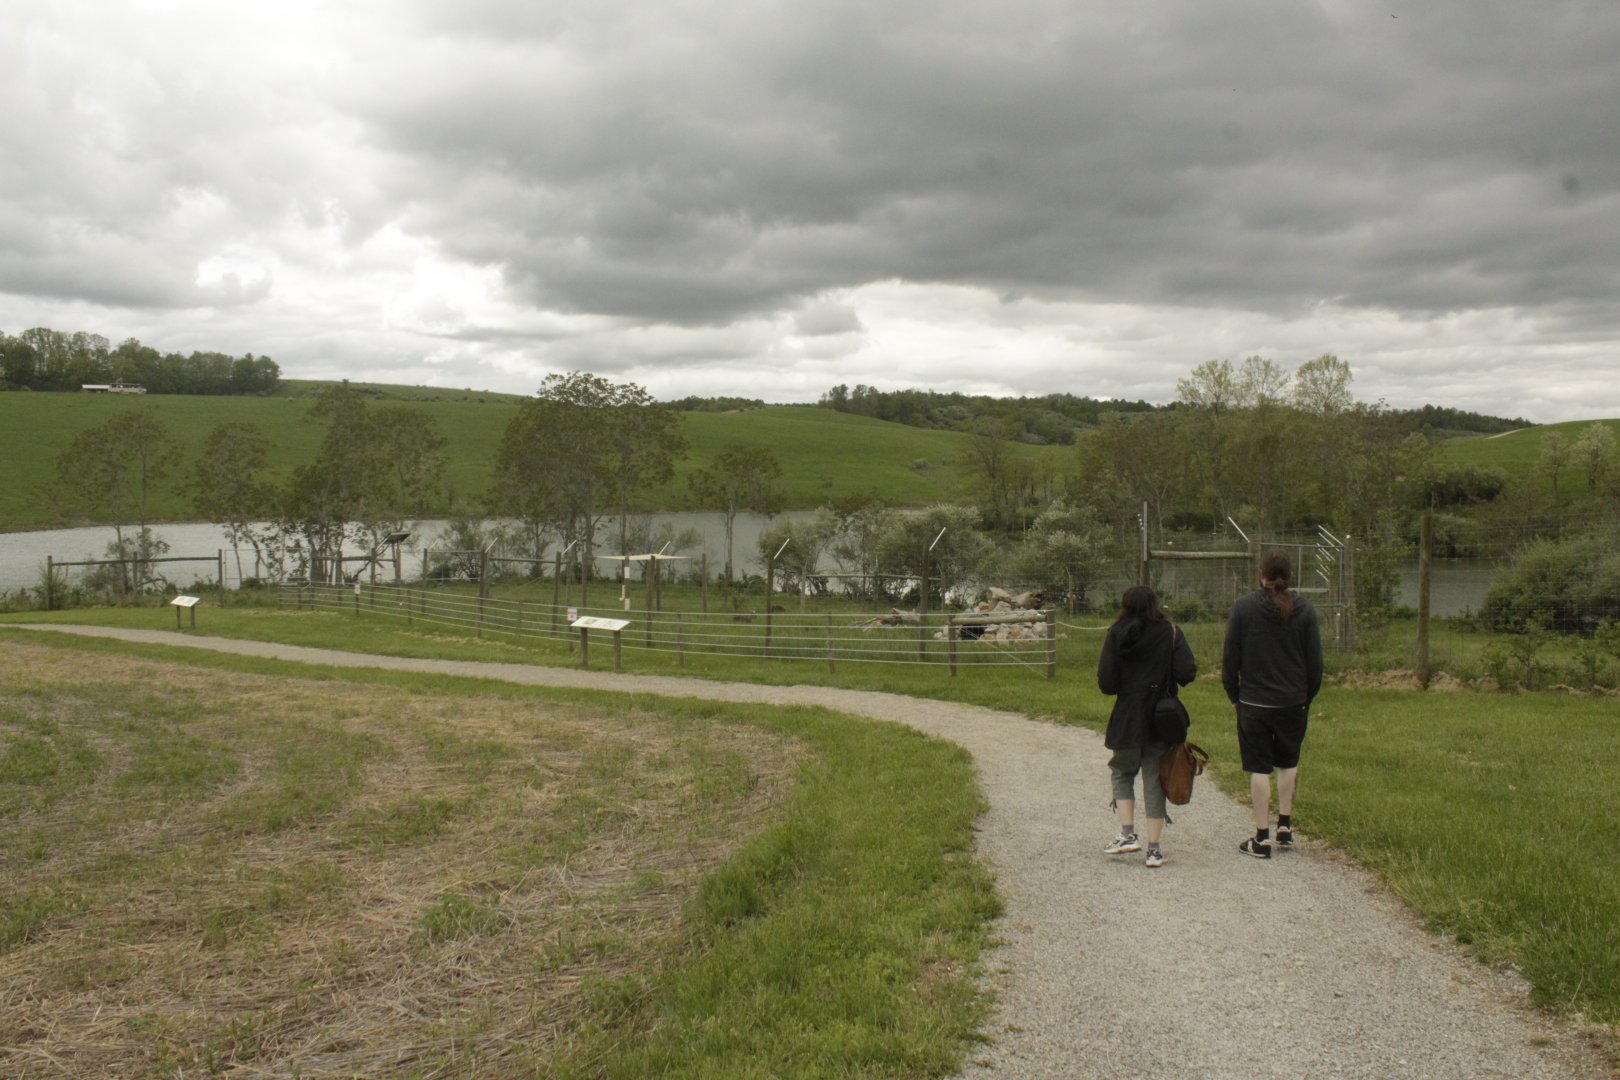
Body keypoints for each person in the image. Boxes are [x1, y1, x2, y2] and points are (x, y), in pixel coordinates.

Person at [1222, 549, 1324, 859]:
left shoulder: (1243, 609)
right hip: (1293, 701)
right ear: (1290, 576)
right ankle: (1285, 825)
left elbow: (1230, 659)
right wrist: (1305, 697)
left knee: (1259, 767)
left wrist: (1234, 696)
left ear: (1260, 575)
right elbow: (1315, 664)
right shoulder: (1305, 610)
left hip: (1254, 702)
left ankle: (1261, 836)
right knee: (1288, 762)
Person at [1097, 584, 1197, 868]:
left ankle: (1127, 833)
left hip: (1128, 715)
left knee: (1121, 770)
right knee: (1154, 778)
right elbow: (1187, 672)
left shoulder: (1116, 634)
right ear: (1154, 604)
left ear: (1125, 606)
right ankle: (1154, 849)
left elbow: (1106, 683)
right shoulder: (1171, 632)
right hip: (1160, 718)